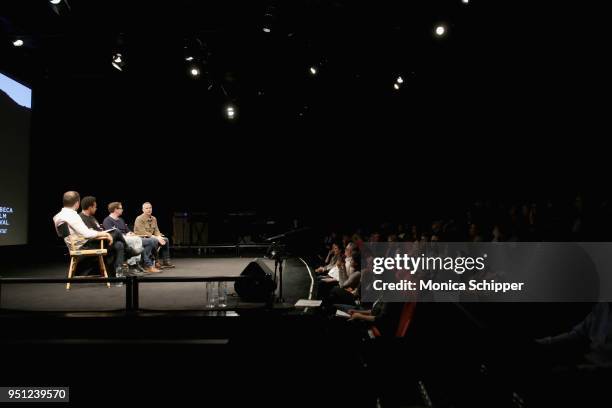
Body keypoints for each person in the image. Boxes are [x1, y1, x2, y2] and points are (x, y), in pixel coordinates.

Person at [52, 191, 113, 276]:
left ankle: (110, 273)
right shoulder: (72, 215)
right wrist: (105, 234)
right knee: (115, 237)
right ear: (77, 203)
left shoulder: (57, 216)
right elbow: (87, 234)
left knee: (116, 242)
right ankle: (115, 274)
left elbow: (60, 234)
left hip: (73, 247)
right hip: (82, 247)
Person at [103, 202, 160, 273]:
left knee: (150, 241)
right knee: (135, 243)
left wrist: (130, 233)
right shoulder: (107, 220)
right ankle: (141, 265)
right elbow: (112, 234)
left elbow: (128, 231)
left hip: (130, 238)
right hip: (121, 240)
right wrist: (126, 235)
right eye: (121, 208)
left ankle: (141, 263)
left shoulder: (121, 220)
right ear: (115, 210)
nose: (122, 210)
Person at [134, 202, 175, 269]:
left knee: (166, 239)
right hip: (141, 238)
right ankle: (155, 261)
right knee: (154, 240)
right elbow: (142, 231)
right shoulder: (139, 219)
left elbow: (156, 230)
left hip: (152, 237)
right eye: (146, 208)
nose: (149, 210)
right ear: (143, 210)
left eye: (150, 208)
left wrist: (159, 236)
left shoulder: (154, 219)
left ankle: (166, 261)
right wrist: (156, 238)